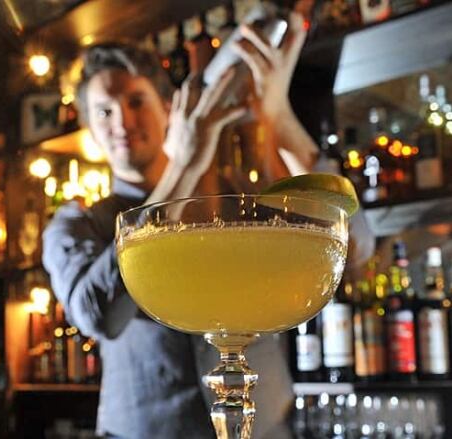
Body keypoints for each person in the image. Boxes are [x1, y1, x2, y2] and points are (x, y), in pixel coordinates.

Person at [42, 11, 374, 439]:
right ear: (91, 128)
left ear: (168, 106)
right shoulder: (77, 223)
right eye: (103, 111)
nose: (122, 122)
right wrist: (184, 163)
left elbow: (356, 245)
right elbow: (100, 316)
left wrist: (278, 115)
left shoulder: (239, 202)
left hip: (266, 428)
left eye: (135, 101)